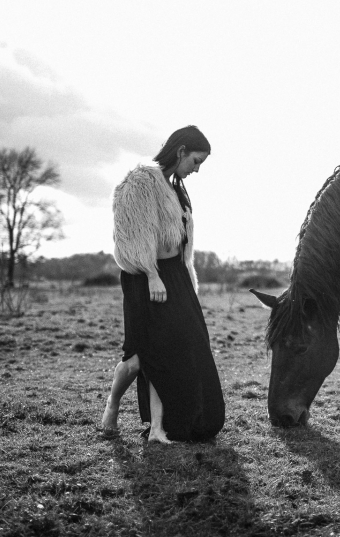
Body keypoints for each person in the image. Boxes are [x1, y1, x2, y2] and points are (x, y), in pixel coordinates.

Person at [101, 125, 225, 443]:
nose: (196, 170)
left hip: (175, 277)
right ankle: (112, 407)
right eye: (195, 161)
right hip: (146, 277)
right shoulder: (143, 180)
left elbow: (183, 242)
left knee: (175, 350)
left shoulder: (175, 187)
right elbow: (132, 232)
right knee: (140, 357)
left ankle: (160, 427)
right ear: (181, 151)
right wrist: (152, 273)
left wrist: (184, 278)